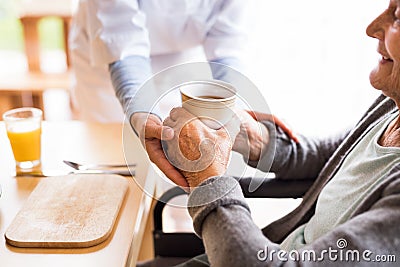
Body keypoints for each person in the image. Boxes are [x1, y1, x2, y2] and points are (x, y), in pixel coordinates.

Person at [161, 0, 400, 265]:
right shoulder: (391, 106)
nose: (372, 28)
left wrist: (207, 177)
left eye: (398, 15)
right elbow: (327, 158)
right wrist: (251, 136)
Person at [68, 0, 254, 186]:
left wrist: (230, 105)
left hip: (183, 54)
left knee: (188, 159)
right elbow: (123, 38)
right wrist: (143, 116)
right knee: (114, 159)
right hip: (111, 53)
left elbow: (228, 39)